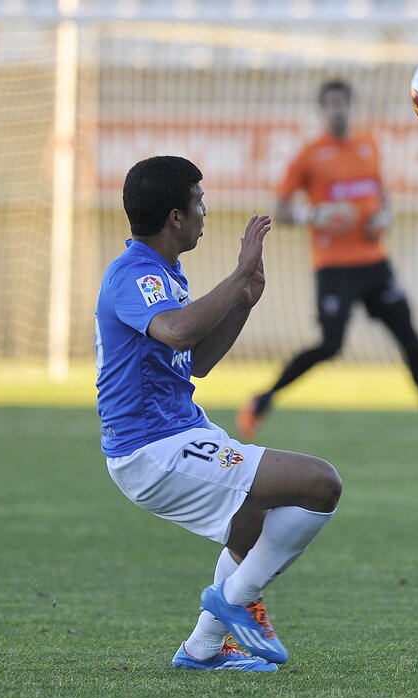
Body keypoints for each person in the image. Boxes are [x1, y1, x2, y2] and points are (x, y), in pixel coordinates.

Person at [95, 155, 342, 671]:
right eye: (199, 201)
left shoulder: (164, 273)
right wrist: (238, 272)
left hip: (179, 429)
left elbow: (195, 361)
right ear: (175, 217)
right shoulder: (133, 276)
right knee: (321, 484)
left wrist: (243, 303)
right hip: (149, 449)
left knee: (251, 516)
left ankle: (204, 648)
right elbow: (179, 331)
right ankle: (235, 601)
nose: (206, 211)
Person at [235, 79, 418, 451]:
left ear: (350, 107)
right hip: (333, 267)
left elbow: (381, 196)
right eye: (331, 104)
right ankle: (261, 401)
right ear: (322, 110)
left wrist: (383, 216)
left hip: (374, 263)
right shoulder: (309, 155)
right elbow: (282, 211)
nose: (338, 110)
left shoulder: (367, 144)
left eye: (343, 103)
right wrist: (316, 214)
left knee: (411, 341)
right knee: (331, 345)